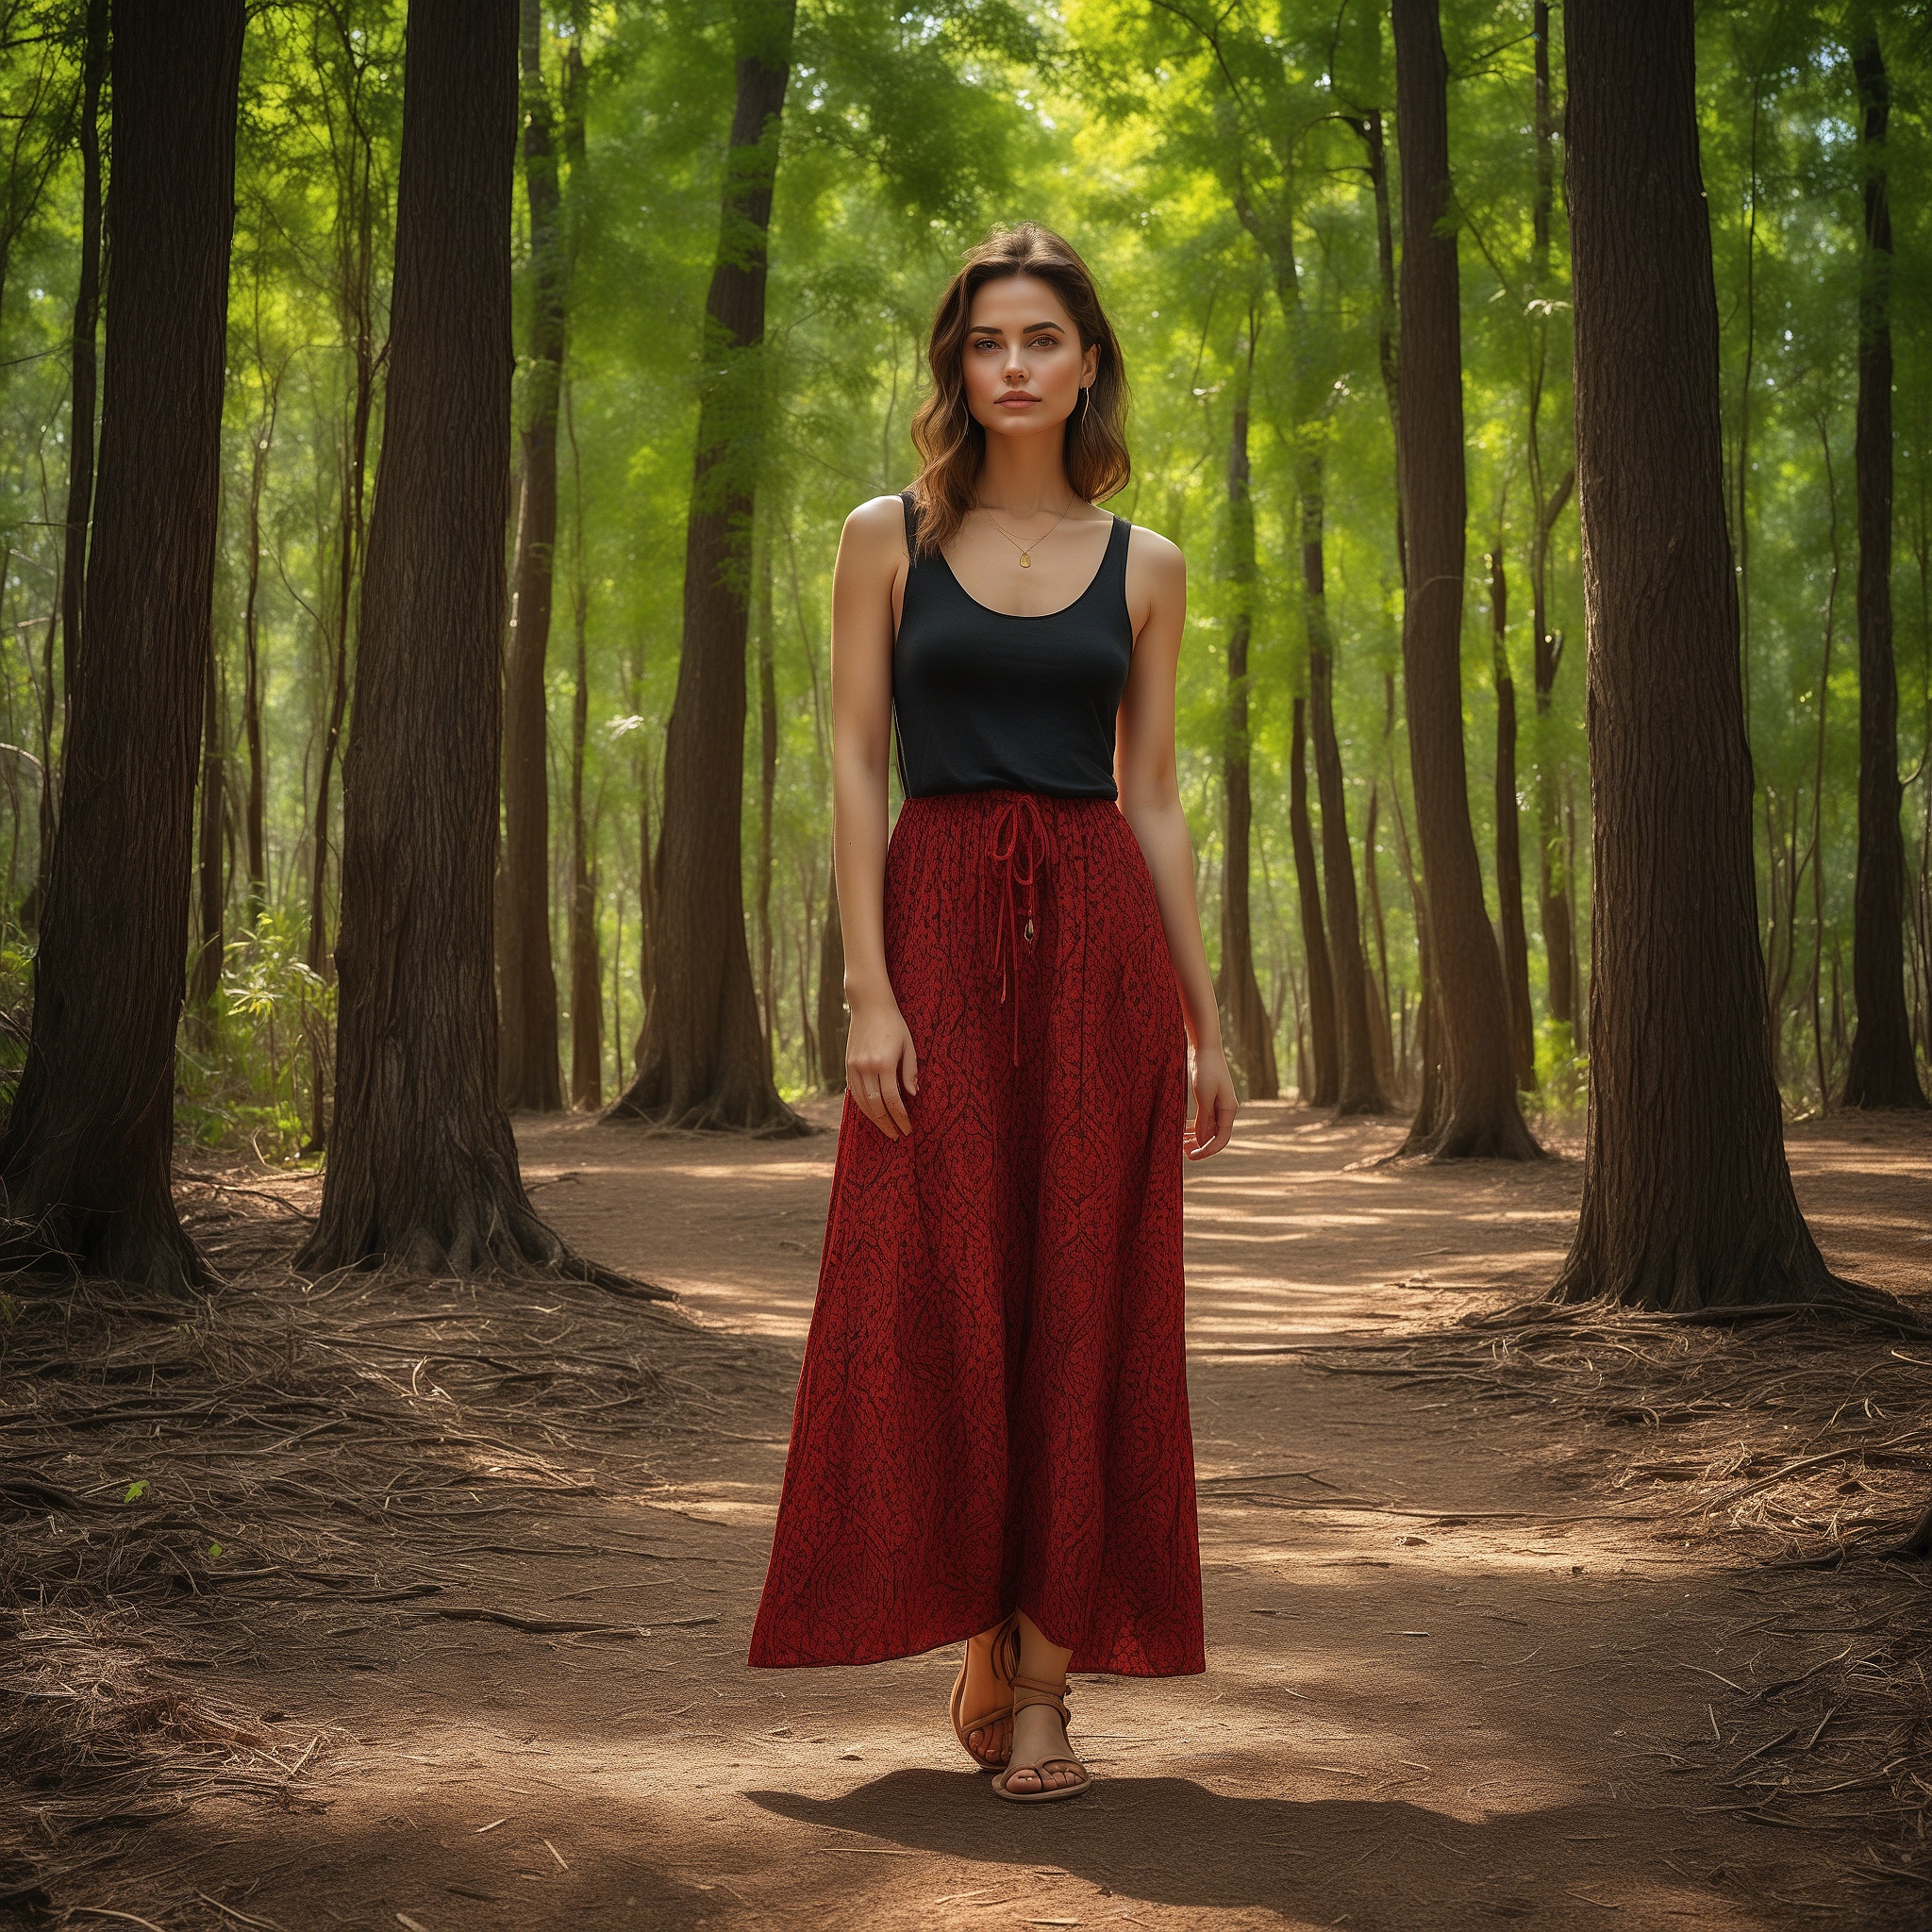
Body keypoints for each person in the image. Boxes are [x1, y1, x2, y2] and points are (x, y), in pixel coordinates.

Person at [748, 222, 1237, 1803]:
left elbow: (1151, 798)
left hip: (1097, 946)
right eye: (986, 342)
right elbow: (848, 760)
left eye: (1043, 339)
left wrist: (1208, 1024)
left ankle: (1045, 1690)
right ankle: (977, 1608)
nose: (1014, 365)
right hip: (942, 927)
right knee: (938, 1286)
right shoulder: (885, 535)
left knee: (1084, 1297)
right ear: (958, 367)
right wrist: (868, 989)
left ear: (1088, 361)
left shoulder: (1148, 563)